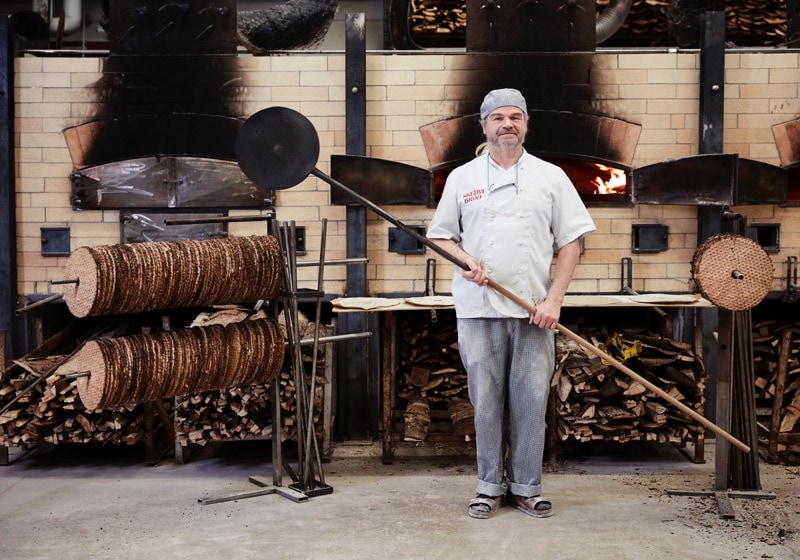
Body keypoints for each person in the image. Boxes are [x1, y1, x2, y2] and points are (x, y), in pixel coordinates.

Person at [426, 88, 596, 519]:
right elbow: (440, 235)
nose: (507, 124)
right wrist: (464, 259)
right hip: (478, 307)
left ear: (526, 124)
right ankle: (488, 486)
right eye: (498, 117)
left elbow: (573, 241)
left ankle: (526, 487)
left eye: (515, 117)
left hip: (534, 311)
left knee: (530, 400)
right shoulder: (462, 178)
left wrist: (555, 299)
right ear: (483, 126)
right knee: (485, 402)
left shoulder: (551, 177)